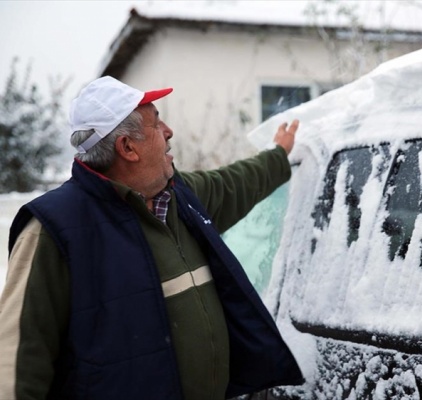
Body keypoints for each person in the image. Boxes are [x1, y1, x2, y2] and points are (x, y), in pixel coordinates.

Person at [0, 76, 303, 399]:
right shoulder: (53, 230)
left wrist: (278, 154)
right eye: (157, 122)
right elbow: (15, 363)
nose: (169, 131)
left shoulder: (179, 198)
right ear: (128, 147)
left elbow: (234, 183)